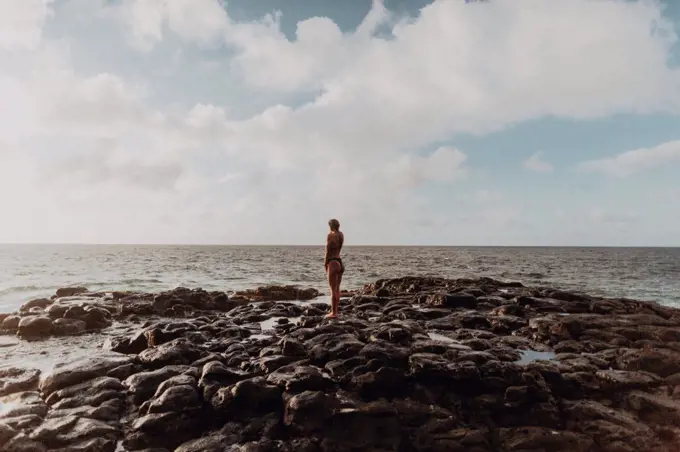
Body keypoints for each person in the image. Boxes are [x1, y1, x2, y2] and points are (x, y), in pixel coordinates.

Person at [324, 218, 344, 318]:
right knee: (337, 289)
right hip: (340, 262)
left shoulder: (330, 235)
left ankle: (334, 313)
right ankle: (337, 311)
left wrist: (325, 263)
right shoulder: (341, 235)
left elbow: (328, 251)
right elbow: (339, 249)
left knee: (332, 290)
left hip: (332, 262)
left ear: (331, 226)